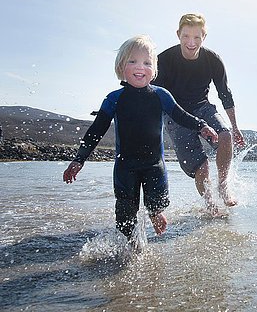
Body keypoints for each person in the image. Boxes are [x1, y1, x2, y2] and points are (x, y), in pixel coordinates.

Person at [62, 35, 218, 241]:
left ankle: (155, 213)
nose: (140, 67)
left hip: (154, 165)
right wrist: (79, 159)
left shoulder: (161, 95)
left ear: (154, 69)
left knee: (157, 203)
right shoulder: (114, 99)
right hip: (125, 167)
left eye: (147, 63)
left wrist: (201, 125)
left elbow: (180, 115)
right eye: (132, 61)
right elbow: (96, 130)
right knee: (125, 217)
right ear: (121, 67)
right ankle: (130, 249)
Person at [153, 13, 245, 213]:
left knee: (225, 135)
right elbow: (152, 96)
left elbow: (225, 94)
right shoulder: (163, 60)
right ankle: (210, 204)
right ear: (178, 34)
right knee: (201, 168)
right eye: (186, 36)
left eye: (196, 37)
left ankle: (223, 186)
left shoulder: (213, 60)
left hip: (202, 107)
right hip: (175, 113)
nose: (191, 42)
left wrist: (235, 127)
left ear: (204, 36)